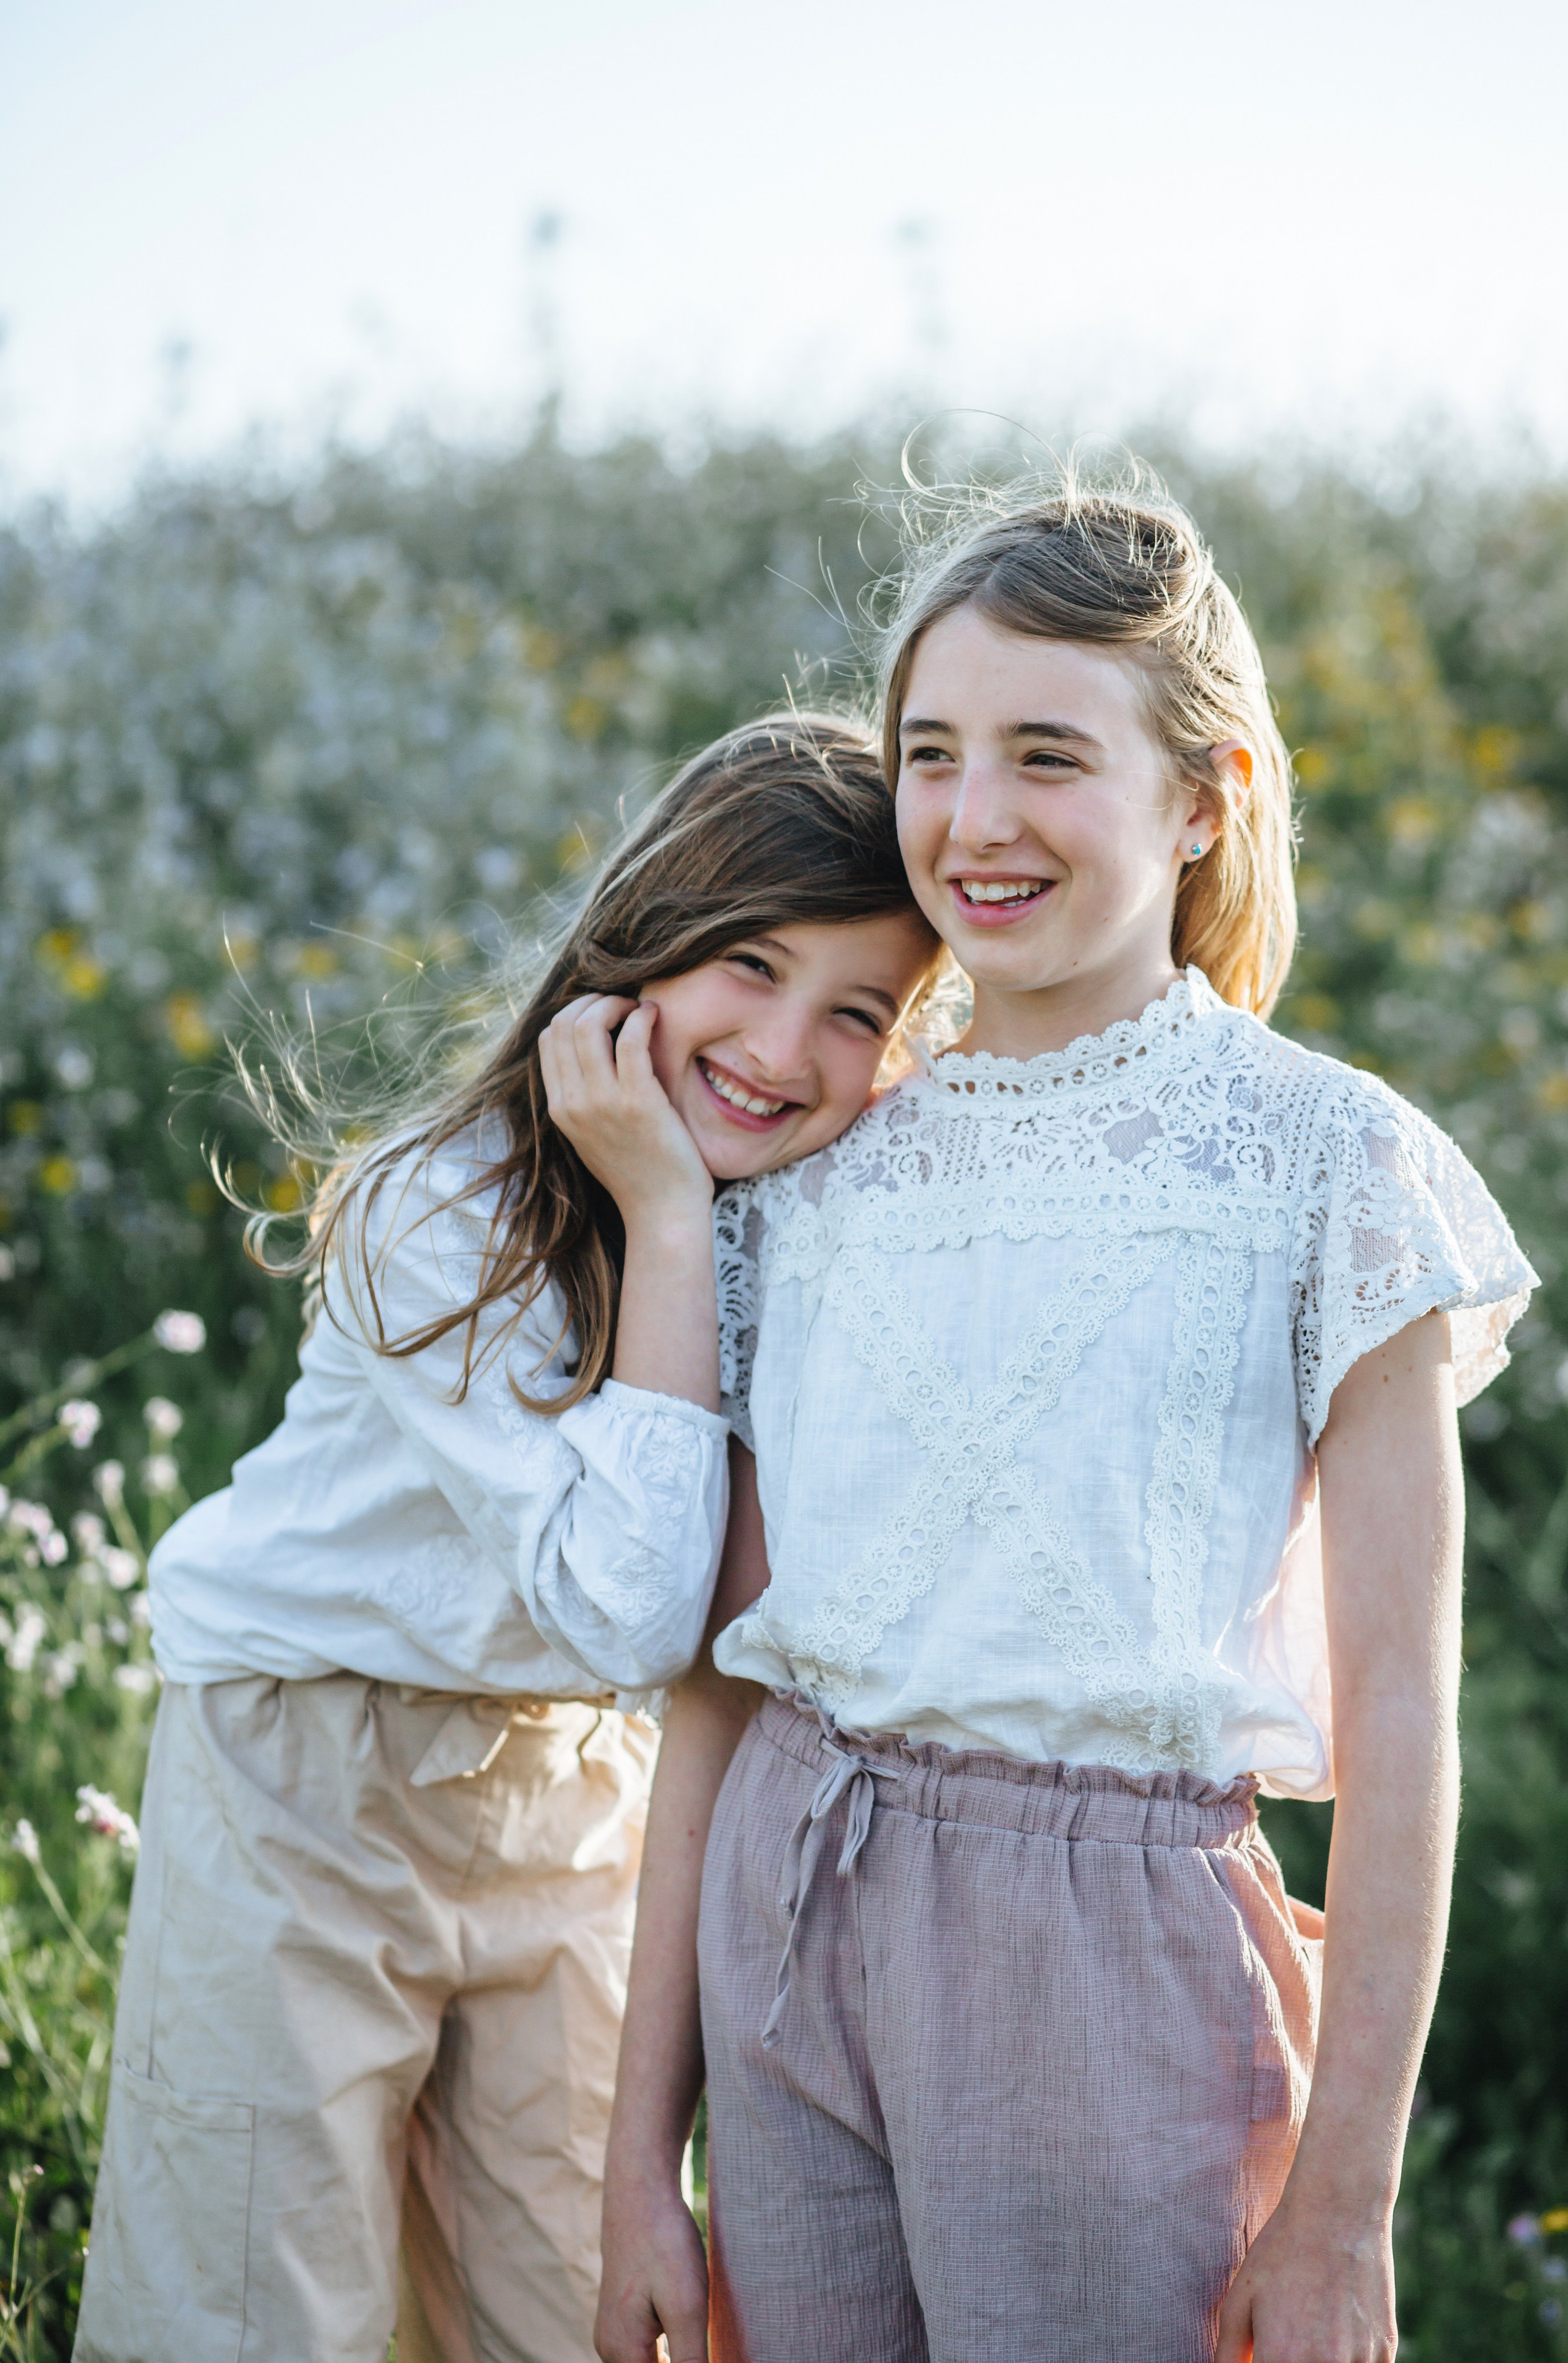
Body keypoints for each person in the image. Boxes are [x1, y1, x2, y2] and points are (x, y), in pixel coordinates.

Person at [592, 473, 1537, 2363]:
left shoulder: (1325, 1162)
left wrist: (1346, 2206)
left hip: (1110, 1973)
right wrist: (635, 2160)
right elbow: (722, 1685)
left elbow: (1405, 1720)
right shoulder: (819, 1168)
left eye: (1047, 755)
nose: (974, 818)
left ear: (1206, 797)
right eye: (931, 755)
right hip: (789, 1908)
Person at [74, 714, 940, 2363]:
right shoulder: (442, 1205)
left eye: (859, 1011)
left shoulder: (809, 1236)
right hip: (303, 1770)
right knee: (256, 2297)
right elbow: (631, 1612)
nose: (782, 1046)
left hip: (571, 1791)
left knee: (573, 2300)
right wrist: (665, 1213)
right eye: (750, 964)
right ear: (643, 941)